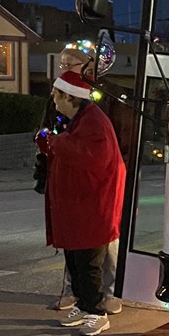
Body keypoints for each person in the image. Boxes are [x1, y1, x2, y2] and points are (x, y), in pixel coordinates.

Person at [35, 39, 123, 314]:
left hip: (101, 181)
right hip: (72, 179)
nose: (63, 68)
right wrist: (47, 153)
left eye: (69, 64)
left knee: (101, 245)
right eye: (61, 64)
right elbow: (49, 127)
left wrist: (60, 143)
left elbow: (108, 142)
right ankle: (77, 295)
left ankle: (106, 296)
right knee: (76, 245)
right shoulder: (61, 93)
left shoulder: (105, 97)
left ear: (89, 66)